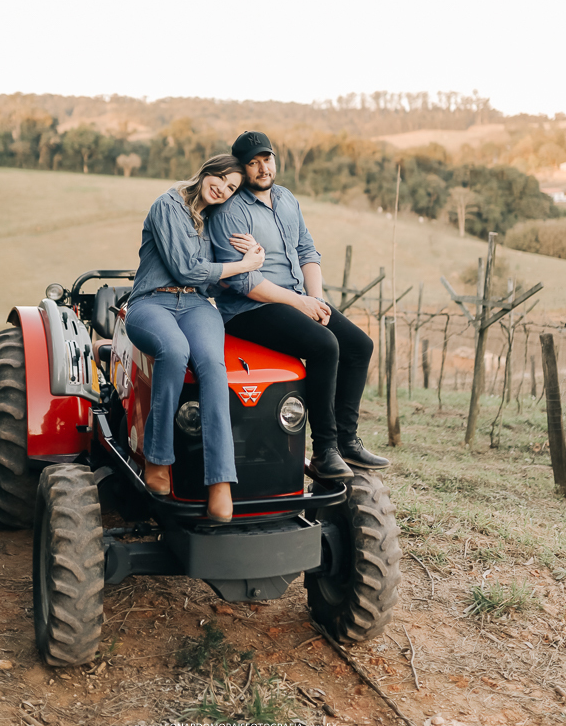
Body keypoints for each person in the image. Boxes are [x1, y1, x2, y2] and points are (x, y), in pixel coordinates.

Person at [209, 131, 389, 480]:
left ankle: (348, 441)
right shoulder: (231, 211)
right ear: (241, 168)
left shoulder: (287, 198)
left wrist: (316, 298)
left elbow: (307, 250)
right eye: (253, 163)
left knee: (359, 346)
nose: (263, 168)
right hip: (250, 309)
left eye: (268, 159)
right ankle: (325, 450)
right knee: (324, 346)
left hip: (298, 298)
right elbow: (244, 282)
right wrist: (301, 302)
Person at [125, 154, 265, 523]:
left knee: (213, 367)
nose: (223, 188)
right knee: (174, 351)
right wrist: (242, 265)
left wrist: (252, 251)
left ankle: (220, 482)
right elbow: (186, 268)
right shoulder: (168, 205)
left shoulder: (214, 219)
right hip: (152, 301)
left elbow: (211, 279)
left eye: (232, 187)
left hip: (197, 304)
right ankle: (158, 461)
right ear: (207, 171)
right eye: (221, 178)